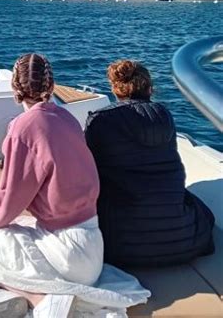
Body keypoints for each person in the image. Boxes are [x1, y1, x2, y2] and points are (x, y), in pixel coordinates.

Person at [0, 53, 104, 318]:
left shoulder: (24, 128)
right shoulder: (67, 119)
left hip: (65, 255)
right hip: (92, 249)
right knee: (18, 224)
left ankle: (36, 299)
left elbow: (8, 200)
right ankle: (13, 296)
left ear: (15, 89)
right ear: (51, 85)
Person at [85, 59, 215, 268]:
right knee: (196, 203)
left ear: (115, 89)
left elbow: (89, 172)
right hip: (187, 244)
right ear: (149, 89)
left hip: (121, 248)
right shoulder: (164, 115)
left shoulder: (99, 120)